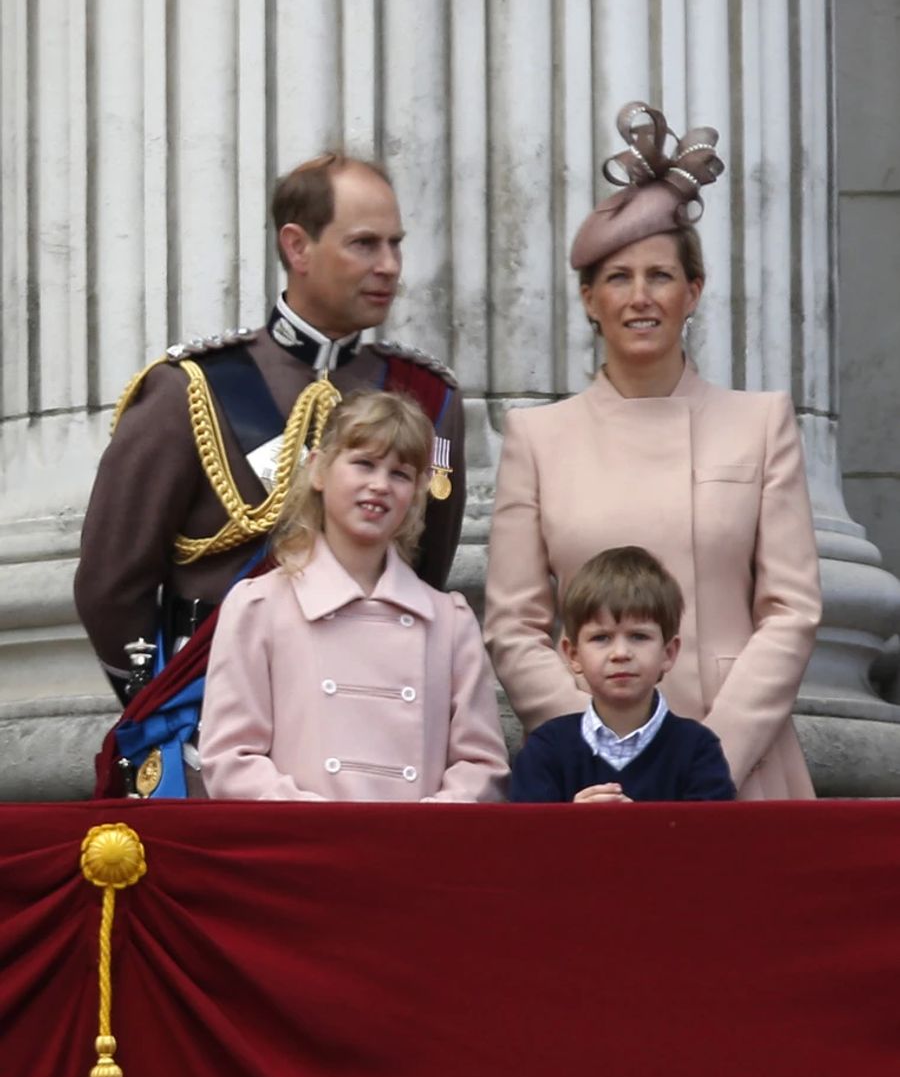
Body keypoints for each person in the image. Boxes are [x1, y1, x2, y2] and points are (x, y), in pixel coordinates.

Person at [484, 101, 822, 801]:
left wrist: (698, 759)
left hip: (740, 765)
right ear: (588, 298)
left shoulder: (760, 423)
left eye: (661, 276)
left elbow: (791, 609)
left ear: (693, 291)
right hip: (589, 784)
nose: (641, 298)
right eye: (617, 278)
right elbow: (514, 626)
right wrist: (607, 747)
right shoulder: (537, 437)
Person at [75, 152, 465, 707]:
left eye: (395, 243)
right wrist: (160, 708)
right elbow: (110, 585)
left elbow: (426, 567)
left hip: (370, 706)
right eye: (364, 244)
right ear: (297, 246)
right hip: (216, 706)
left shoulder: (429, 400)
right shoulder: (191, 390)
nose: (390, 265)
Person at [199, 391, 509, 803]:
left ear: (417, 490)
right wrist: (321, 824)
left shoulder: (448, 621)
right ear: (319, 470)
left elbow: (481, 765)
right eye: (363, 463)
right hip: (304, 850)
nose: (380, 485)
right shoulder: (259, 607)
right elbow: (230, 758)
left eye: (400, 474)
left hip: (414, 853)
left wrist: (427, 821)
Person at [510, 547, 735, 803]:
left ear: (668, 653)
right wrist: (569, 824)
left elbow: (713, 840)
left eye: (638, 636)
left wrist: (638, 827)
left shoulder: (698, 749)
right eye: (601, 638)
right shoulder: (545, 749)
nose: (620, 653)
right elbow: (525, 839)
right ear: (573, 655)